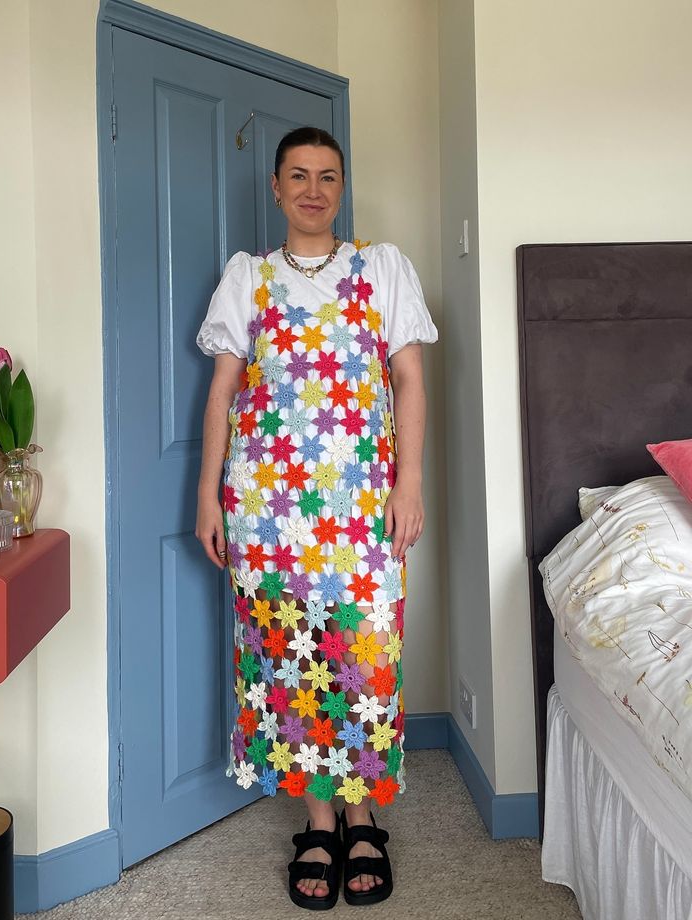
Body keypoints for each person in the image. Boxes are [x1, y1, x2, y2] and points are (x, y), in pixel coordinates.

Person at [195, 126, 438, 909]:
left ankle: (364, 815)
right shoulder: (249, 278)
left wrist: (410, 481)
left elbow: (408, 382)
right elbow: (224, 396)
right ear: (275, 188)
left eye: (326, 176)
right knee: (287, 658)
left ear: (342, 188)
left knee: (362, 655)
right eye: (297, 175)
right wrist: (208, 494)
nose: (312, 189)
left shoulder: (382, 269)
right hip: (267, 512)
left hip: (364, 505)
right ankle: (318, 821)